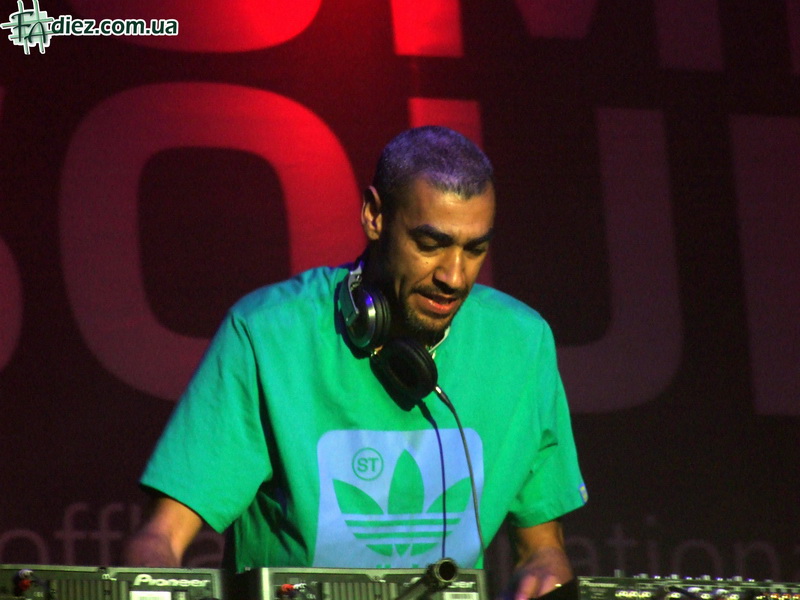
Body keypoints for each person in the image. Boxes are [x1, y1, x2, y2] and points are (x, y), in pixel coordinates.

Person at [124, 126, 587, 599]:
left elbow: (543, 550)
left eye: (475, 249)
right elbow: (162, 538)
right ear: (374, 216)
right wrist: (150, 587)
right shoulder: (268, 334)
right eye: (430, 244)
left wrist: (545, 575)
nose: (454, 276)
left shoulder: (522, 345)